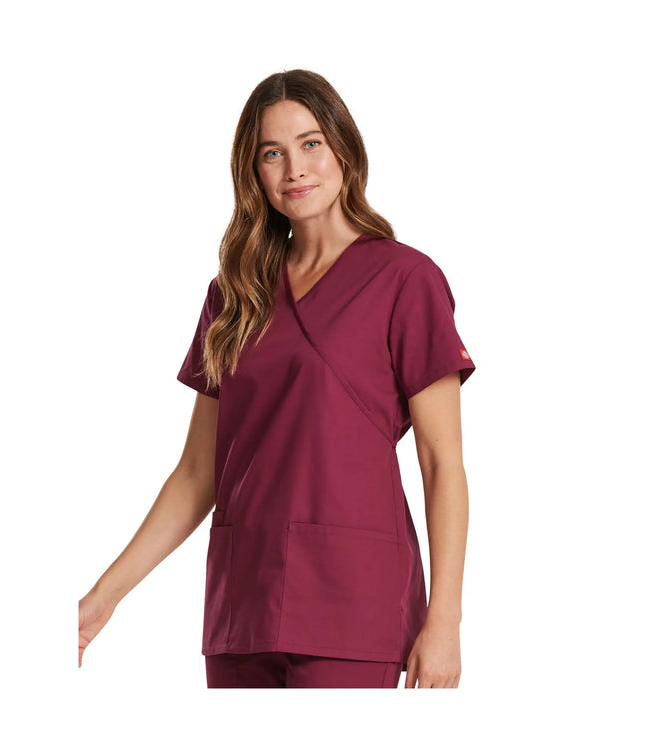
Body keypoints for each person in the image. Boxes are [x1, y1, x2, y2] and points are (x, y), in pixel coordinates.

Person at [78, 69, 476, 689]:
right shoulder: (233, 294)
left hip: (354, 601)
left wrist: (445, 620)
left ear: (343, 148)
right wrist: (100, 600)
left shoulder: (406, 280)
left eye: (311, 143)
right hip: (243, 602)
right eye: (272, 153)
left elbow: (441, 462)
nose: (295, 169)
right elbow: (198, 472)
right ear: (253, 172)